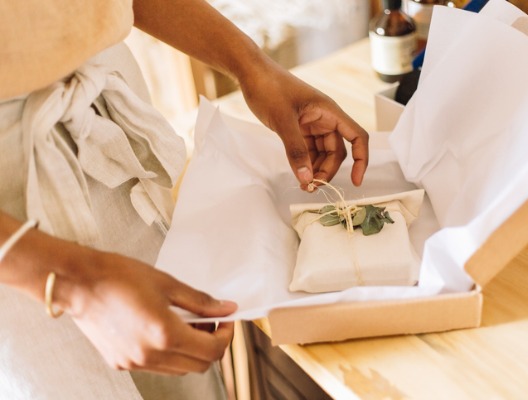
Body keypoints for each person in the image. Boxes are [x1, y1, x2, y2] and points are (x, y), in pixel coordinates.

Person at [0, 0, 369, 399]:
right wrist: (73, 284)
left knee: (184, 376)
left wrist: (251, 66)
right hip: (16, 252)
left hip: (104, 130)